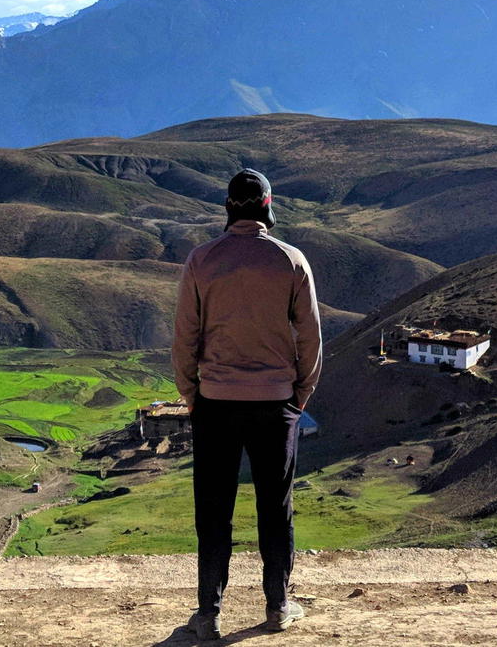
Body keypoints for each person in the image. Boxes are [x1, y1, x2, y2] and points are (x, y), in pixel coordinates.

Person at [173, 168, 323, 641]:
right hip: (276, 402)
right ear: (267, 207)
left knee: (213, 511)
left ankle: (208, 614)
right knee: (275, 508)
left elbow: (185, 336)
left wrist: (191, 394)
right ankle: (278, 606)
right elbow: (310, 336)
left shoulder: (201, 259)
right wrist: (301, 393)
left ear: (227, 207)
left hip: (215, 402)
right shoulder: (290, 260)